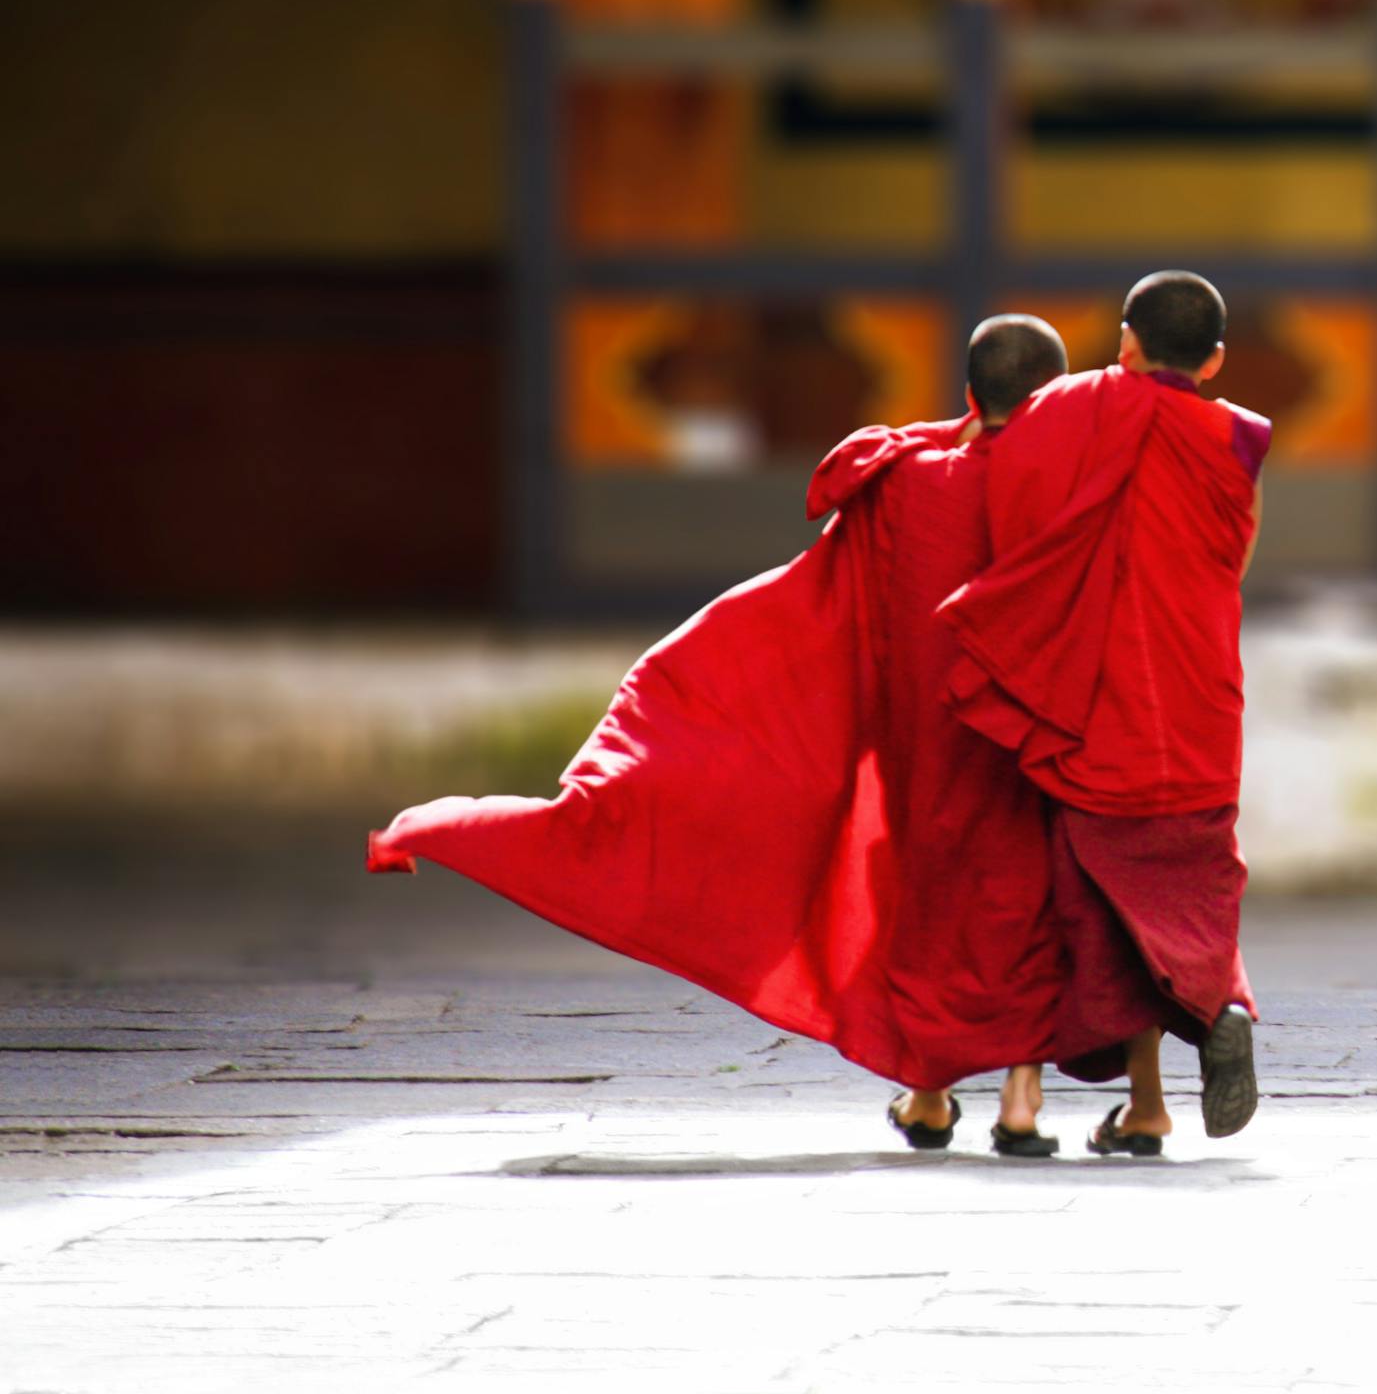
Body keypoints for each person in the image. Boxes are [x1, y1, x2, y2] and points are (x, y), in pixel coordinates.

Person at [367, 315, 1082, 1155]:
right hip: (1032, 733)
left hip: (923, 743)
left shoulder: (903, 481)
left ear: (968, 393)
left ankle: (929, 1096)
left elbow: (824, 601)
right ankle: (1022, 1102)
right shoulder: (1069, 485)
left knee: (924, 901)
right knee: (1026, 899)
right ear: (1058, 398)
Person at [942, 270, 1268, 1157]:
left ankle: (1155, 1071)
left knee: (1098, 904)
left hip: (1099, 693)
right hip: (1199, 691)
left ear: (1126, 341)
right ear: (1215, 360)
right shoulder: (1237, 437)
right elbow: (1228, 558)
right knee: (1194, 872)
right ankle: (1218, 1004)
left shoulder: (1069, 407)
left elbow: (1015, 506)